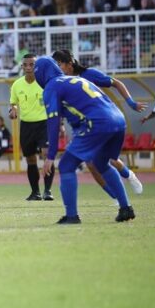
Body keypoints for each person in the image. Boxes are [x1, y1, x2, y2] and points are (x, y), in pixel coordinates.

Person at [35, 57, 135, 224]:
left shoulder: (51, 86)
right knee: (101, 163)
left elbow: (53, 121)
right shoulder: (77, 79)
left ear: (41, 74)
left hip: (97, 122)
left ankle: (72, 216)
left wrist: (50, 156)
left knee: (66, 165)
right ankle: (126, 208)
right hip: (118, 120)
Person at [51, 49, 145, 195]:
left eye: (59, 64)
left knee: (109, 160)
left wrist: (131, 102)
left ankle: (129, 175)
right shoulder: (60, 83)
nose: (56, 68)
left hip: (101, 122)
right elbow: (60, 106)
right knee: (91, 163)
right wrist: (61, 125)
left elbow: (116, 83)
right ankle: (115, 196)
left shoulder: (89, 74)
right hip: (82, 127)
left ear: (69, 64)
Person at [9, 54, 55, 201]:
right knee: (30, 159)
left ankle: (48, 191)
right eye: (25, 65)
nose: (28, 67)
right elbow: (13, 103)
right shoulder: (17, 85)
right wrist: (13, 109)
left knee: (47, 155)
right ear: (22, 67)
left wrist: (59, 124)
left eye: (32, 64)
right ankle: (35, 192)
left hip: (44, 124)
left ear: (36, 66)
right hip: (26, 125)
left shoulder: (45, 83)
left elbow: (54, 103)